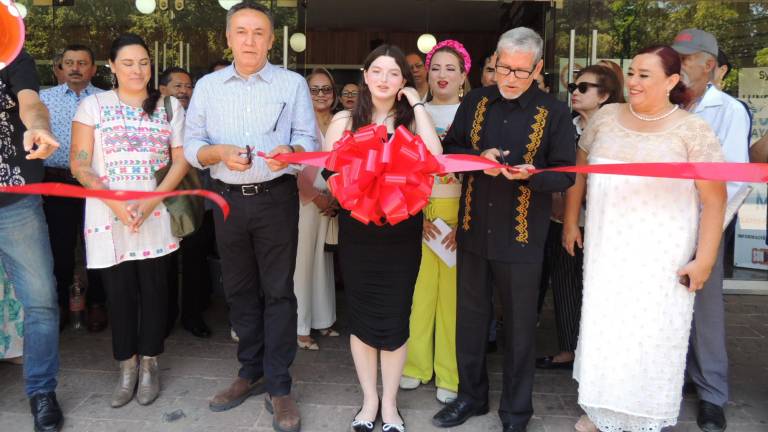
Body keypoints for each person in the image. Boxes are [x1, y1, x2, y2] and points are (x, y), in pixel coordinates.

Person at [568, 45, 727, 432]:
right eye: (632, 73)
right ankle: (601, 407)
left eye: (645, 75)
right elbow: (579, 171)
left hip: (662, 254)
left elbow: (715, 198)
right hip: (607, 248)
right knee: (606, 327)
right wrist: (570, 222)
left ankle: (645, 414)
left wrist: (704, 259)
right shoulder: (605, 117)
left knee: (652, 331)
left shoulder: (693, 130)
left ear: (672, 82)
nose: (634, 81)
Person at [432, 27, 576, 432]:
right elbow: (451, 150)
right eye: (502, 69)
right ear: (493, 62)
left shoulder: (555, 112)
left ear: (538, 68)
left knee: (518, 329)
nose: (509, 79)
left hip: (523, 236)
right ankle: (471, 398)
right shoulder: (476, 100)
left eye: (520, 71)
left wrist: (531, 176)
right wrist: (480, 157)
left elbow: (565, 174)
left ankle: (516, 412)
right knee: (471, 321)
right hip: (475, 229)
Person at [183, 3, 316, 431]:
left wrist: (291, 156)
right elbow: (192, 144)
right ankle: (249, 371)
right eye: (242, 31)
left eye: (259, 32)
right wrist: (216, 154)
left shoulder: (291, 84)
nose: (250, 40)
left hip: (276, 198)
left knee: (278, 291)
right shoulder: (207, 86)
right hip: (226, 199)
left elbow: (306, 139)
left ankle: (279, 384)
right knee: (238, 289)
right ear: (228, 37)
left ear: (272, 39)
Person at [323, 44, 441, 432]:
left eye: (393, 73)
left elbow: (436, 160)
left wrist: (418, 105)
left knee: (394, 318)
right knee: (361, 319)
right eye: (377, 71)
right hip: (359, 233)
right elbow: (330, 176)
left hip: (402, 233)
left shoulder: (411, 122)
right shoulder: (343, 121)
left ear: (403, 81)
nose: (384, 80)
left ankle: (390, 405)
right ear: (365, 74)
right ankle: (368, 401)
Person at [70, 34, 189, 408]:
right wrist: (116, 204)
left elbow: (182, 160)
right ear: (111, 66)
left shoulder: (168, 106)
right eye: (128, 63)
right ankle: (127, 366)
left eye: (143, 62)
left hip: (155, 213)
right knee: (120, 295)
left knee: (155, 292)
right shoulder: (94, 106)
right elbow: (80, 163)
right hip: (109, 213)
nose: (137, 70)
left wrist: (153, 201)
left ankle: (151, 362)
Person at [672, 29, 751, 432]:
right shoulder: (669, 106)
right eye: (675, 57)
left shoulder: (728, 110)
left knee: (705, 312)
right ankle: (678, 377)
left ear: (709, 64)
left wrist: (709, 234)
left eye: (686, 58)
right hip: (664, 223)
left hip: (705, 225)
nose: (679, 66)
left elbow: (734, 178)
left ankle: (712, 395)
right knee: (668, 306)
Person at [535, 64, 623, 371]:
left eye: (584, 88)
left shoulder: (618, 130)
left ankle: (600, 353)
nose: (575, 92)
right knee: (565, 285)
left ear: (605, 95)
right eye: (574, 86)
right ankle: (569, 348)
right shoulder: (564, 125)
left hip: (606, 223)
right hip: (563, 220)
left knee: (602, 289)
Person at [400, 39, 470, 405]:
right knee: (419, 294)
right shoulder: (414, 113)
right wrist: (417, 215)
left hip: (460, 218)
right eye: (436, 67)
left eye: (451, 68)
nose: (443, 75)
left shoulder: (475, 114)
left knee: (453, 300)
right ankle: (414, 366)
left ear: (463, 75)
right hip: (421, 215)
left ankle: (449, 373)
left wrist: (465, 222)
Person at [1, 48, 63, 432]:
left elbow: (31, 104)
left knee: (40, 301)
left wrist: (39, 127)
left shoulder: (10, 53)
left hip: (16, 202)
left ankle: (41, 391)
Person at [39, 44, 108, 333]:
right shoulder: (43, 99)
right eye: (69, 62)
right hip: (56, 182)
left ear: (93, 69)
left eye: (82, 62)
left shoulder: (106, 99)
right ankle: (62, 305)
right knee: (60, 248)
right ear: (60, 68)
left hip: (96, 183)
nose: (75, 67)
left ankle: (96, 304)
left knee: (98, 246)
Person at [156, 66, 213, 340]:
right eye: (177, 85)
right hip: (159, 200)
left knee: (194, 260)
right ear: (162, 89)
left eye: (188, 86)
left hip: (194, 198)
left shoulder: (199, 118)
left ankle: (192, 316)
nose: (184, 91)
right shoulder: (154, 116)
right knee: (164, 261)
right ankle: (164, 317)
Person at [294, 67, 338, 351]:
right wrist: (314, 195)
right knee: (302, 264)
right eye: (314, 89)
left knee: (324, 262)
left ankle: (323, 319)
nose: (321, 95)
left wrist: (337, 199)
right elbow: (293, 164)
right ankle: (300, 327)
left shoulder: (339, 121)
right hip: (304, 201)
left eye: (326, 89)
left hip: (333, 201)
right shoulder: (299, 123)